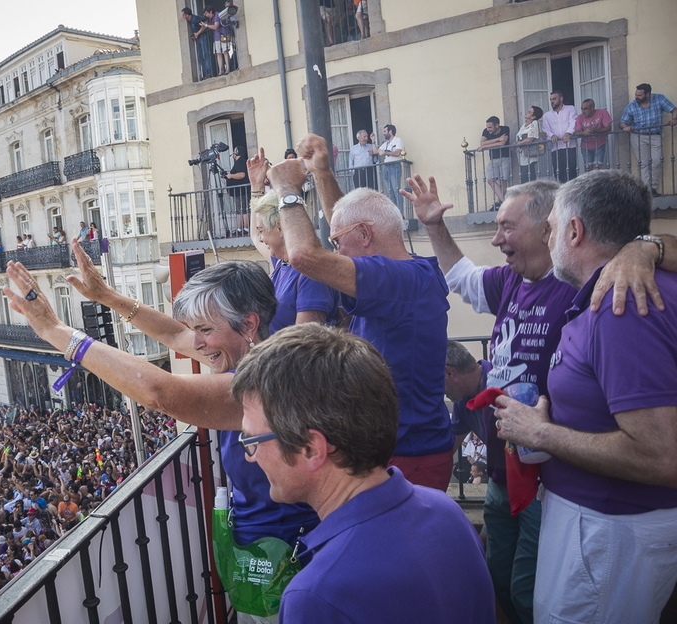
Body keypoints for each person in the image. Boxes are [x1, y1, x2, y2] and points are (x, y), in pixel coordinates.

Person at [3, 245, 318, 622]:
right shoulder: (256, 351)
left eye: (205, 329)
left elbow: (160, 393)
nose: (196, 344)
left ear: (248, 324)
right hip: (264, 551)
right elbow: (172, 334)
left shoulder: (262, 384)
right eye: (194, 330)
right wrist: (107, 296)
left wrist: (55, 331)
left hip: (284, 560)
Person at [408, 172, 665, 624]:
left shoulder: (598, 289)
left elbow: (660, 450)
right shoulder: (512, 281)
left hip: (559, 486)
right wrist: (434, 225)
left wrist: (645, 246)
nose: (497, 237)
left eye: (508, 226)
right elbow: (463, 277)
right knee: (501, 579)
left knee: (532, 592)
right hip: (508, 472)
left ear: (561, 229)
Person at [494, 170, 677, 623]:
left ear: (575, 231)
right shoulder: (624, 289)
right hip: (605, 529)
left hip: (608, 532)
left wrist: (541, 432)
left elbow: (660, 455)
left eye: (551, 227)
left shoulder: (621, 306)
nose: (548, 235)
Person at [231, 323, 495, 624]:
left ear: (311, 449)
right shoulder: (446, 512)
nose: (249, 457)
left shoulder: (314, 596)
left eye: (251, 440)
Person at [270, 134, 454, 492]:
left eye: (338, 243)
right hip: (402, 450)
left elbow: (304, 256)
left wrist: (288, 191)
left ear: (366, 234)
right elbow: (346, 224)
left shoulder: (402, 279)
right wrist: (321, 174)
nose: (336, 250)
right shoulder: (409, 274)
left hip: (409, 456)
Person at [247, 150, 338, 333]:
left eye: (263, 230)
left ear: (280, 227)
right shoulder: (282, 262)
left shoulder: (311, 272)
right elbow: (255, 237)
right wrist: (257, 186)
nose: (262, 237)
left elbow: (304, 340)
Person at [619, 83, 677, 196]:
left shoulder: (659, 98)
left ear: (648, 94)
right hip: (638, 136)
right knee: (643, 163)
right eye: (636, 94)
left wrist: (674, 119)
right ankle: (647, 190)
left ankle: (653, 186)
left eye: (640, 95)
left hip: (655, 135)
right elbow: (622, 122)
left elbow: (674, 109)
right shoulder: (632, 106)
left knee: (656, 161)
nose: (637, 97)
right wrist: (625, 127)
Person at [542, 90, 578, 183]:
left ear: (561, 99)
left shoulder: (570, 109)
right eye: (551, 99)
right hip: (556, 148)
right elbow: (546, 129)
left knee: (572, 172)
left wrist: (568, 133)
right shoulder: (547, 115)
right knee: (559, 173)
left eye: (554, 99)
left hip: (570, 146)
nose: (552, 101)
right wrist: (551, 135)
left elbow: (574, 122)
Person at [370, 124, 404, 212]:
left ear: (390, 131)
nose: (383, 133)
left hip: (394, 166)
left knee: (396, 190)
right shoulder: (385, 143)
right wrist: (373, 141)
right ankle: (393, 213)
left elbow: (397, 153)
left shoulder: (398, 140)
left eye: (385, 131)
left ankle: (400, 213)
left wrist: (385, 152)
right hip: (386, 167)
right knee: (389, 191)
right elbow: (375, 151)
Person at [480, 116, 511, 210]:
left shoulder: (505, 129)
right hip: (493, 158)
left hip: (505, 157)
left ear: (497, 125)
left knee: (503, 181)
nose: (488, 129)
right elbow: (482, 143)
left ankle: (499, 203)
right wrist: (498, 139)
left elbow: (502, 143)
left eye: (490, 127)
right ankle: (504, 201)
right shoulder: (486, 131)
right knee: (490, 180)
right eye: (487, 127)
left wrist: (488, 144)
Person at [573, 99, 612, 172]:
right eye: (582, 109)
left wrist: (594, 130)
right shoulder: (580, 117)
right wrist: (584, 132)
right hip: (586, 146)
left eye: (586, 109)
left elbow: (608, 128)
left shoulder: (602, 112)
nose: (583, 111)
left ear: (593, 107)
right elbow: (576, 132)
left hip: (599, 144)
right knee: (589, 170)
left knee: (597, 169)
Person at [182, 7, 214, 81]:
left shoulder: (195, 18)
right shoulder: (190, 21)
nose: (183, 16)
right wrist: (195, 35)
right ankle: (205, 74)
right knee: (200, 56)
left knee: (205, 54)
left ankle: (209, 73)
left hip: (203, 36)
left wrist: (198, 33)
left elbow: (205, 23)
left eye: (184, 15)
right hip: (199, 38)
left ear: (187, 14)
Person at [225, 146, 250, 236]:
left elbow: (242, 174)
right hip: (238, 192)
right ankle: (240, 229)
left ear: (237, 152)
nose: (233, 152)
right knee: (240, 211)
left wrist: (230, 176)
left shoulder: (241, 161)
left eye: (234, 151)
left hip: (242, 191)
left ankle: (246, 228)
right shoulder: (239, 162)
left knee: (244, 210)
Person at [516, 106, 544, 184]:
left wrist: (519, 143)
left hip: (529, 155)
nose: (527, 112)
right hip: (522, 155)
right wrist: (516, 143)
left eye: (529, 112)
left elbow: (530, 138)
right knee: (524, 177)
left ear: (533, 117)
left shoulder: (534, 123)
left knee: (527, 178)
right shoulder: (524, 125)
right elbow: (520, 137)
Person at [203, 6, 230, 76]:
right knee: (218, 53)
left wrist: (206, 25)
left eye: (206, 13)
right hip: (217, 37)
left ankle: (227, 69)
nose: (206, 15)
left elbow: (215, 26)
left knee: (225, 51)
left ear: (211, 12)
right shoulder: (211, 19)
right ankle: (220, 70)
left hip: (223, 35)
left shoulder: (218, 15)